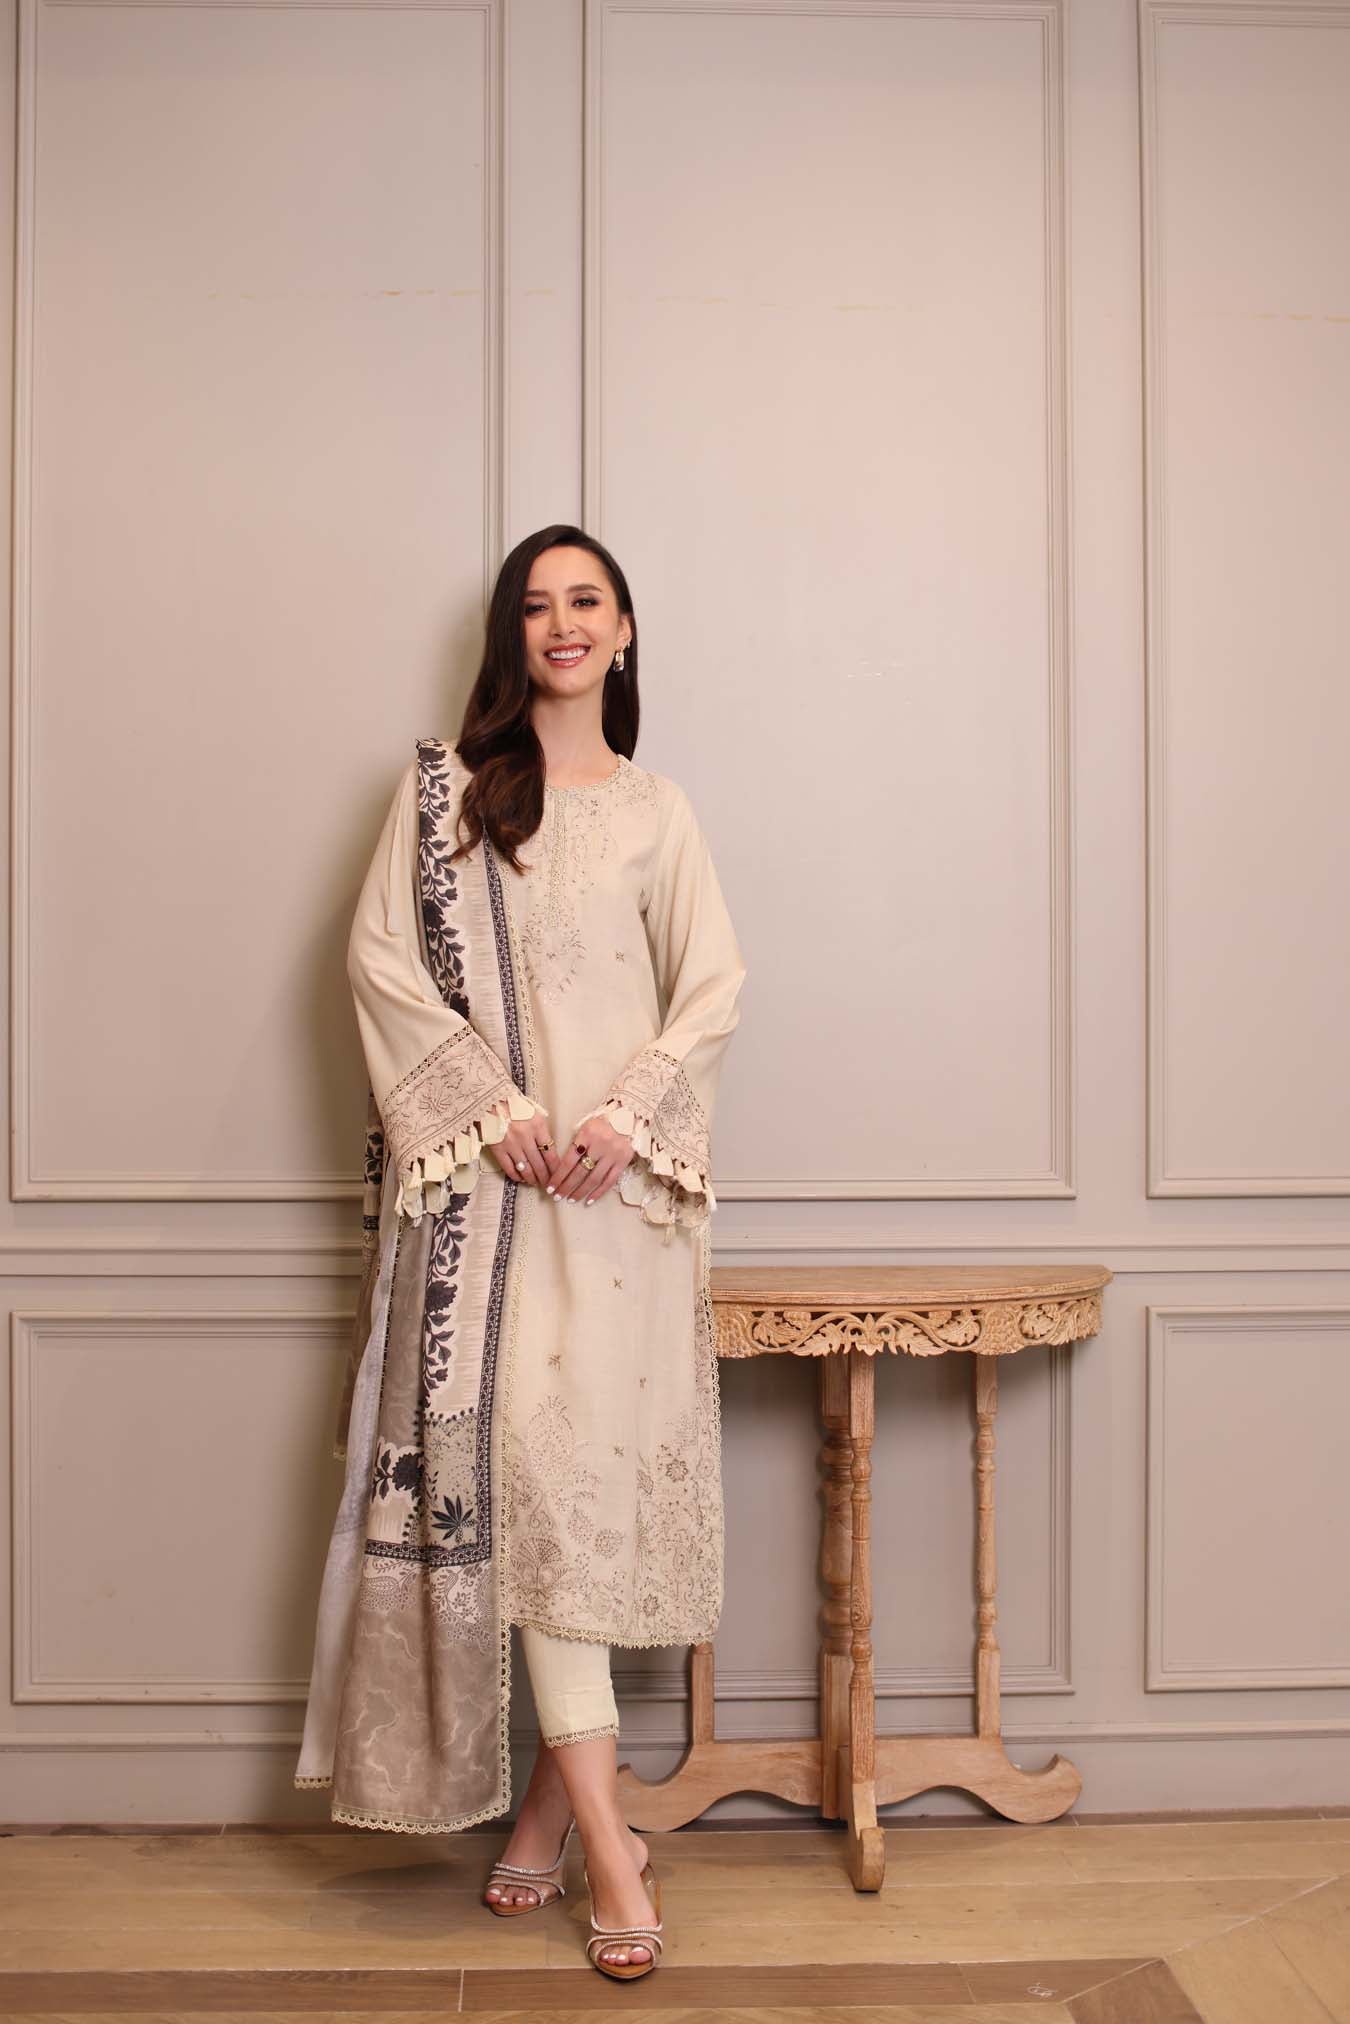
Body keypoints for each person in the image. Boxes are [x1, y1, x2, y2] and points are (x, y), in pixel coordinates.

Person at [292, 524, 747, 1982]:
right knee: (533, 1499)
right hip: (490, 1210)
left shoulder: (660, 813)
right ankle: (615, 1850)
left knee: (588, 1510)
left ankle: (549, 1817)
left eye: (587, 601)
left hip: (618, 1210)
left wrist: (627, 1116)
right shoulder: (447, 800)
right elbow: (379, 961)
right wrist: (493, 1112)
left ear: (623, 631)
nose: (563, 624)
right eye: (538, 605)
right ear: (513, 634)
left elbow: (712, 988)